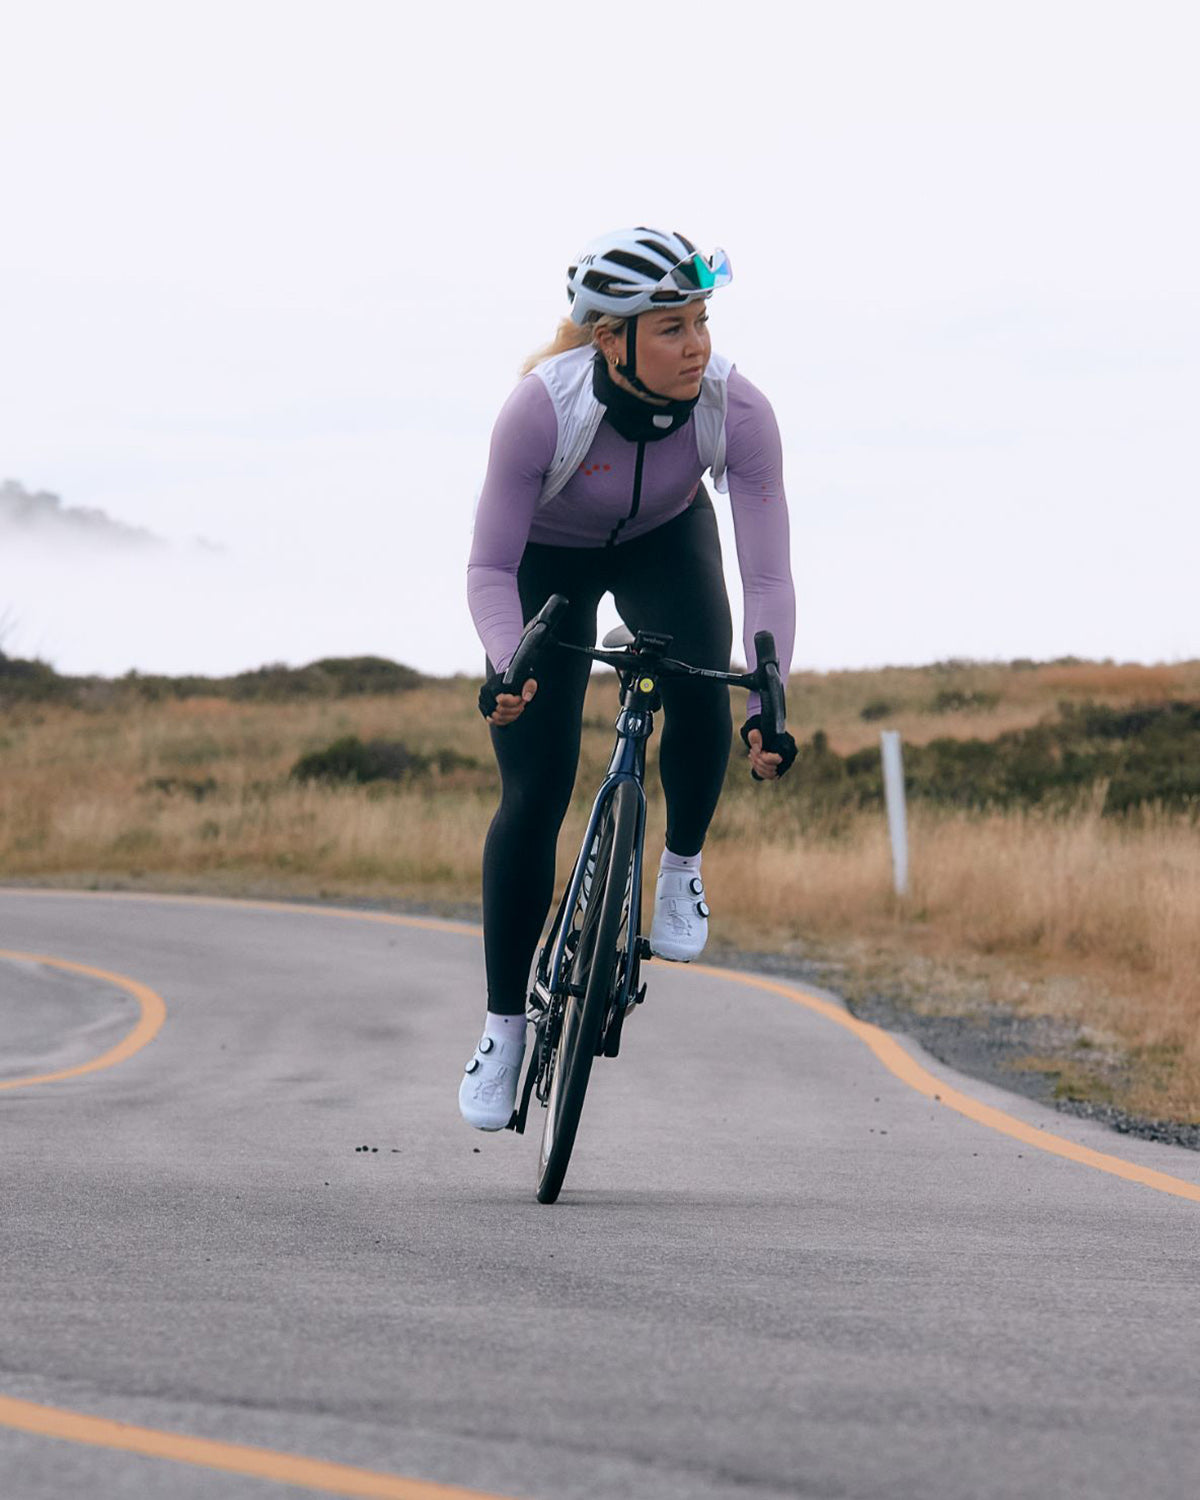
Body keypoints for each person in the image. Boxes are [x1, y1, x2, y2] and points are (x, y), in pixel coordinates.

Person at [460, 227, 797, 1130]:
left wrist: (768, 698)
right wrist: (508, 663)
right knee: (534, 789)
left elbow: (767, 578)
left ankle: (680, 864)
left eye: (702, 322)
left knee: (700, 688)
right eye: (673, 328)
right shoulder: (542, 409)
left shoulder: (737, 409)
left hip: (665, 545)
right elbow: (489, 569)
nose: (698, 346)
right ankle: (503, 1029)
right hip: (547, 563)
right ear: (611, 339)